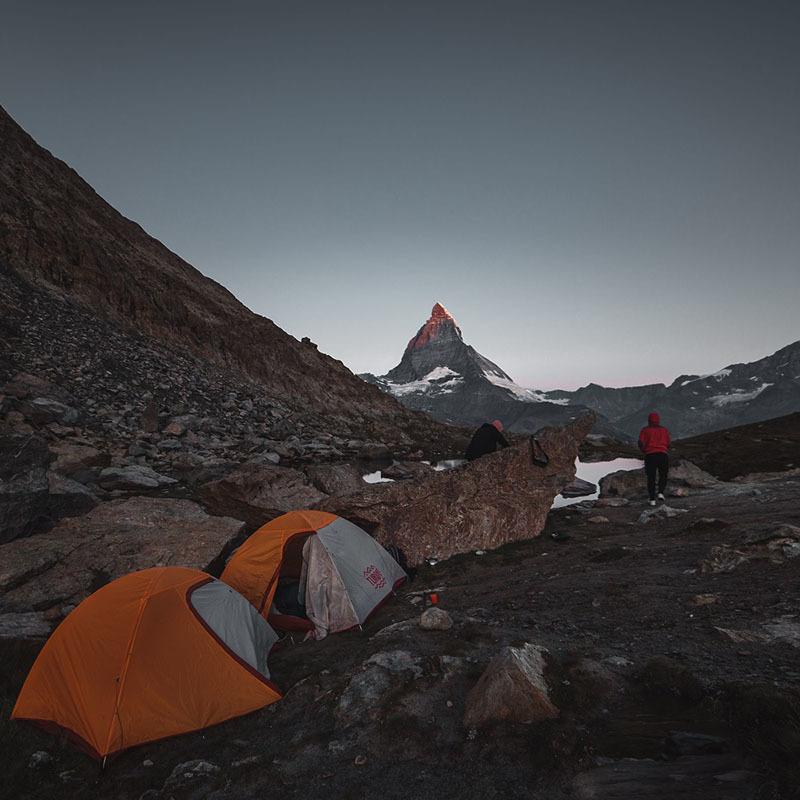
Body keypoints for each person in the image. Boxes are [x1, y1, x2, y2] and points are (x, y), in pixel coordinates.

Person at [638, 411, 671, 506]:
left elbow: (640, 443)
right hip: (663, 455)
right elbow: (668, 443)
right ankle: (660, 492)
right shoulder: (664, 430)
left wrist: (644, 451)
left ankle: (652, 499)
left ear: (649, 420)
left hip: (650, 455)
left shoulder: (645, 430)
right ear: (658, 420)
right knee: (663, 475)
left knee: (651, 477)